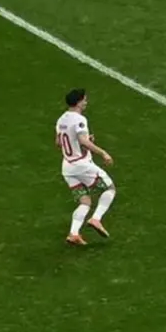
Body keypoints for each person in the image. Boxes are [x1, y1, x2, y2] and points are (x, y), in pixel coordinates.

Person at [55, 89, 116, 245]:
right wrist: (103, 153)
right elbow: (83, 141)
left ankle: (74, 233)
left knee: (85, 201)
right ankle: (96, 219)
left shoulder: (61, 120)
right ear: (78, 102)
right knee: (109, 188)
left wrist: (83, 141)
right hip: (81, 165)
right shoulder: (80, 120)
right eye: (84, 100)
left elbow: (59, 143)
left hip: (67, 168)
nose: (86, 102)